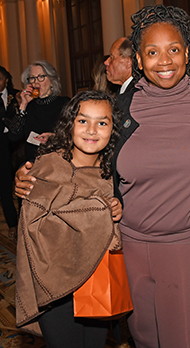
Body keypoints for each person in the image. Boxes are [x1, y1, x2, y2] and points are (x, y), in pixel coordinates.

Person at [15, 5, 190, 348]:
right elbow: (79, 148)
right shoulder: (122, 109)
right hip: (127, 250)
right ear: (139, 61)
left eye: (174, 49)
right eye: (152, 52)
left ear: (188, 53)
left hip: (188, 250)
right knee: (144, 341)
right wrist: (31, 175)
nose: (164, 60)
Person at [15, 90, 123, 348]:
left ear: (113, 130)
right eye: (83, 120)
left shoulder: (113, 173)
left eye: (102, 123)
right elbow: (32, 227)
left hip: (95, 280)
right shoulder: (46, 167)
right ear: (69, 124)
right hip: (54, 286)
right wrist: (98, 212)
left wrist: (118, 209)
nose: (92, 130)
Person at [8, 60, 70, 162]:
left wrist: (54, 138)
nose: (36, 82)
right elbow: (13, 136)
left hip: (57, 162)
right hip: (33, 164)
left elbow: (73, 136)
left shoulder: (64, 103)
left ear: (51, 80)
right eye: (32, 78)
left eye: (41, 77)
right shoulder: (29, 106)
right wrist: (23, 105)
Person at [0, 65, 20, 240]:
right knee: (5, 189)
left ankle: (23, 222)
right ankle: (12, 225)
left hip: (18, 148)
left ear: (6, 79)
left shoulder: (17, 96)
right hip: (1, 150)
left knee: (22, 188)